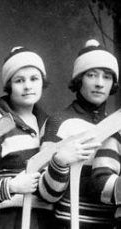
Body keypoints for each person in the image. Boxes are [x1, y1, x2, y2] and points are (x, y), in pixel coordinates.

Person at [0, 47, 52, 228]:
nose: (28, 86)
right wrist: (11, 186)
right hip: (7, 219)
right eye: (19, 80)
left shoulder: (50, 125)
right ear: (9, 86)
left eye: (34, 79)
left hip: (44, 218)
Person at [41, 39, 118, 228]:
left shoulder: (117, 126)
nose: (100, 83)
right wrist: (59, 162)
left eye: (107, 77)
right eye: (92, 75)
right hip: (69, 222)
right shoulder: (59, 122)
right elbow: (44, 192)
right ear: (79, 79)